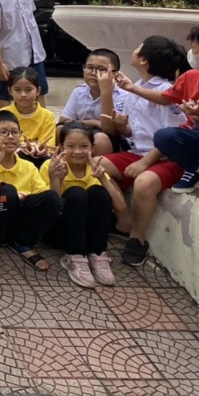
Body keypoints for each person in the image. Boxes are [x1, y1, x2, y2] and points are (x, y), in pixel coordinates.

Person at [117, 23, 199, 206]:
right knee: (163, 136)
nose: (191, 52)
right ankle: (195, 168)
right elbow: (165, 98)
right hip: (194, 139)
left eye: (194, 48)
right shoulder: (190, 77)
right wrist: (132, 88)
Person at [97, 36, 187, 265]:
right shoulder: (136, 88)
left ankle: (137, 238)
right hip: (138, 153)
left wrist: (145, 162)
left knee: (144, 182)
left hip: (166, 157)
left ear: (144, 60)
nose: (134, 49)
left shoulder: (167, 92)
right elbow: (132, 132)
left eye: (139, 48)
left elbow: (174, 136)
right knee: (95, 165)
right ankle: (123, 218)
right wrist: (122, 126)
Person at [0, 110, 63, 271]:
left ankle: (24, 242)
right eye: (3, 132)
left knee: (52, 197)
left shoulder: (28, 167)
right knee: (7, 192)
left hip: (18, 223)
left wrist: (55, 178)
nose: (10, 136)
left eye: (15, 132)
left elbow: (45, 201)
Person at [42, 122, 125, 288]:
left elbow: (120, 207)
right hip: (60, 232)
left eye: (84, 146)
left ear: (92, 148)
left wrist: (103, 179)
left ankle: (98, 254)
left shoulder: (95, 168)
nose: (78, 151)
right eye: (71, 146)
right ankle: (74, 255)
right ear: (61, 147)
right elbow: (51, 208)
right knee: (76, 193)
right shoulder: (52, 166)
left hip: (88, 234)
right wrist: (56, 179)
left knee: (98, 192)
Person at [58, 48, 122, 154]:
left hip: (110, 140)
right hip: (81, 133)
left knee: (99, 139)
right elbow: (64, 122)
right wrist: (94, 123)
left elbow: (110, 130)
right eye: (89, 67)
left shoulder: (123, 95)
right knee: (60, 130)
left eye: (101, 69)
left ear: (115, 74)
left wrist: (106, 92)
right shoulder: (79, 91)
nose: (93, 73)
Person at [4, 65, 58, 164]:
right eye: (17, 90)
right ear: (10, 91)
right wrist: (20, 147)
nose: (23, 94)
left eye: (28, 89)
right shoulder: (3, 114)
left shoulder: (47, 116)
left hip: (38, 158)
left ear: (38, 91)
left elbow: (48, 146)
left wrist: (39, 148)